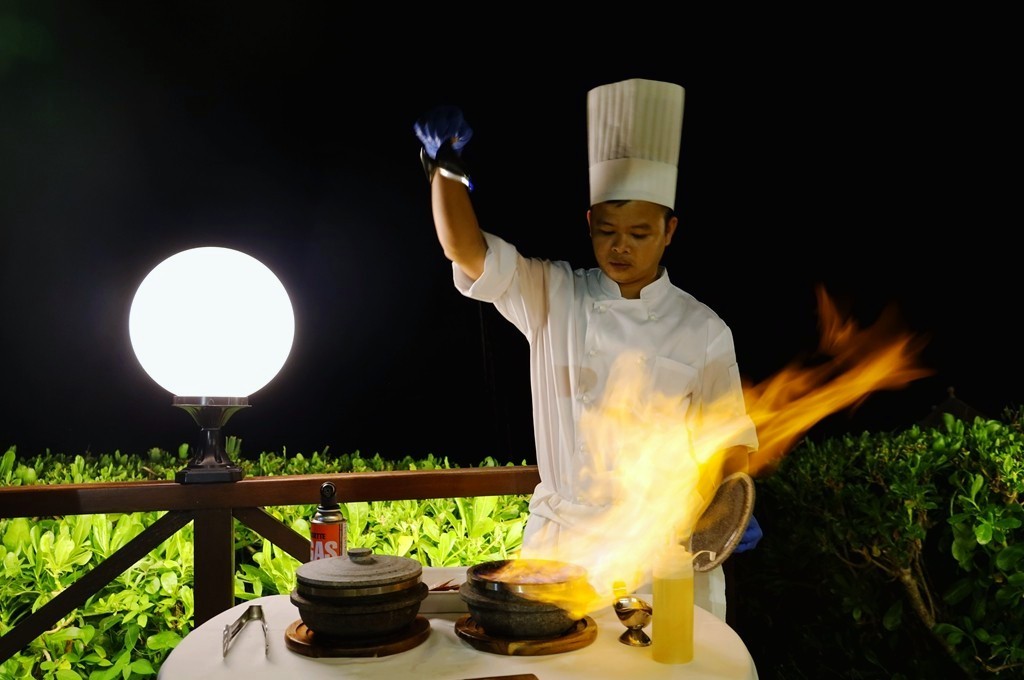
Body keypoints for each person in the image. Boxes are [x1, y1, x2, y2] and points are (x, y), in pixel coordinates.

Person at [413, 78, 761, 621]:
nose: (620, 246)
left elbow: (728, 441)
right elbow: (465, 250)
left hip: (659, 554)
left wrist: (731, 506)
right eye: (607, 231)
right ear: (589, 225)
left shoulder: (703, 327)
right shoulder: (554, 294)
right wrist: (445, 169)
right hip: (562, 553)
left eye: (640, 233)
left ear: (670, 231)